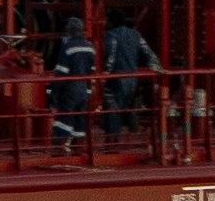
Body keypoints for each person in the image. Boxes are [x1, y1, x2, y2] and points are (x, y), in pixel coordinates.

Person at [101, 10, 157, 142]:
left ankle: (112, 141)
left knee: (112, 109)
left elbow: (111, 55)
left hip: (117, 78)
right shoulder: (136, 34)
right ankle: (130, 127)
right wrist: (155, 67)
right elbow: (148, 53)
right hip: (132, 79)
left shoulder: (111, 35)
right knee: (124, 106)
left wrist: (105, 72)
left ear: (112, 21)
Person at [46, 17, 97, 151]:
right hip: (83, 89)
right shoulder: (90, 47)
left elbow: (62, 72)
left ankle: (58, 148)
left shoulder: (67, 47)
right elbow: (91, 70)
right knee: (80, 119)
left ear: (69, 30)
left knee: (63, 119)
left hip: (69, 89)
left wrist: (53, 93)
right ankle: (78, 147)